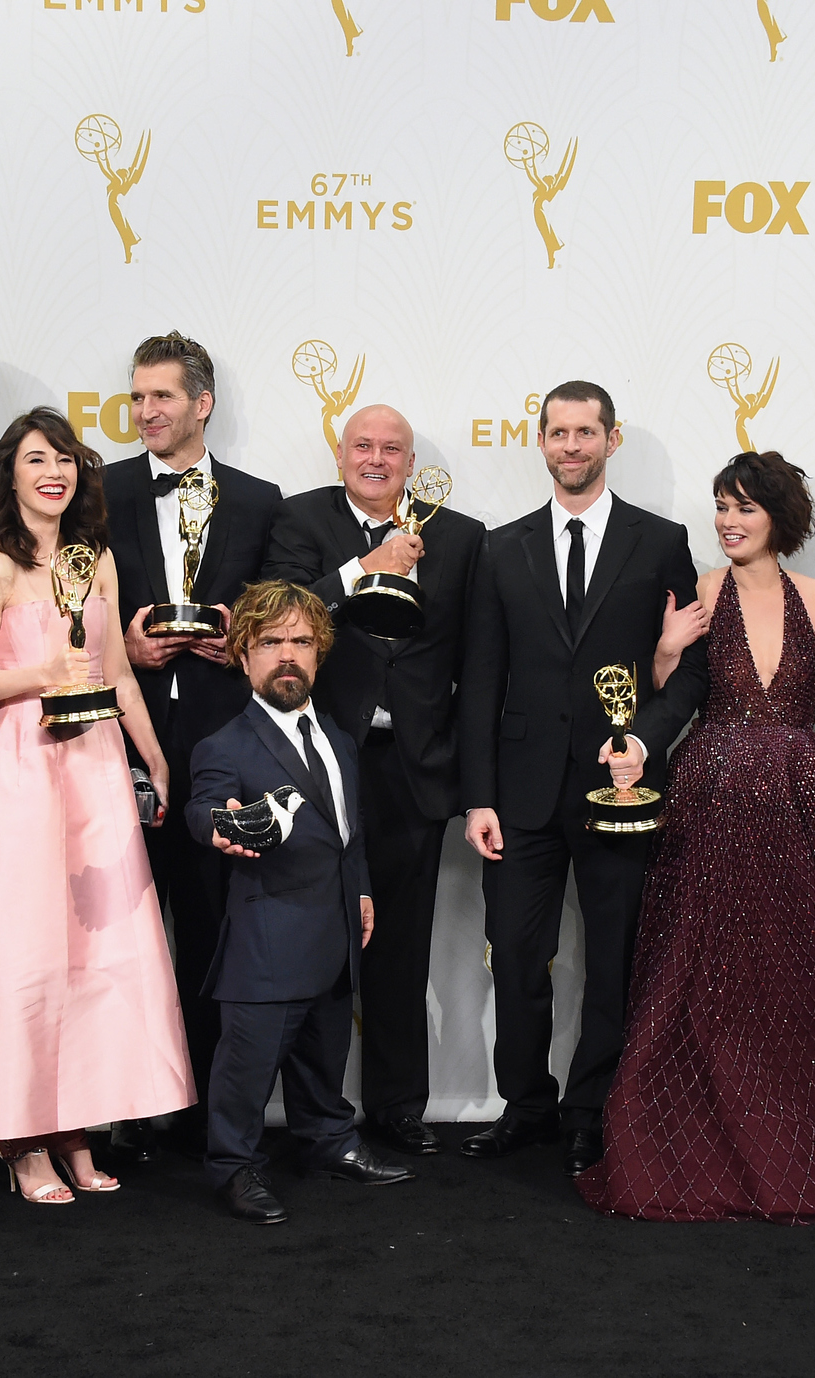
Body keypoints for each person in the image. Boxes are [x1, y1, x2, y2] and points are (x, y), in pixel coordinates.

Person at [576, 453, 815, 1223]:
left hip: (798, 801)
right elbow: (670, 699)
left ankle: (802, 1126)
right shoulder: (699, 593)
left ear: (779, 518)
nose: (728, 520)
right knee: (701, 971)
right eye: (722, 505)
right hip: (707, 799)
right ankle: (698, 1131)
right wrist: (662, 649)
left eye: (745, 508)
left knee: (800, 976)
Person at [0, 408, 195, 1204]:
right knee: (28, 950)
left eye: (65, 459)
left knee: (102, 949)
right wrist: (42, 673)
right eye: (35, 459)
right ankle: (20, 1142)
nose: (53, 472)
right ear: (9, 474)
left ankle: (76, 1129)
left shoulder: (99, 561)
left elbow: (118, 672)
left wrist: (151, 755)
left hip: (96, 764)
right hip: (22, 762)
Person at [457, 380, 707, 1176]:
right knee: (518, 956)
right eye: (558, 433)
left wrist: (650, 744)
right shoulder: (501, 547)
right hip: (521, 796)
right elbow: (482, 676)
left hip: (621, 790)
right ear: (540, 441)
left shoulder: (662, 540)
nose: (571, 446)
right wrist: (480, 796)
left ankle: (593, 1110)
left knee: (616, 958)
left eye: (585, 432)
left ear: (612, 438)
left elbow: (691, 671)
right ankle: (525, 1105)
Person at [261, 404, 485, 1155]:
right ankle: (313, 1111)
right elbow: (281, 617)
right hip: (319, 761)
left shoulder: (460, 536)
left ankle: (398, 1108)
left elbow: (475, 663)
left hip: (412, 769)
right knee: (315, 945)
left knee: (399, 947)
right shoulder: (298, 521)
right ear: (340, 451)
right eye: (364, 445)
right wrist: (368, 568)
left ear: (410, 461)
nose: (377, 459)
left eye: (392, 448)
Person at [105, 331, 282, 1161]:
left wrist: (239, 643)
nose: (146, 412)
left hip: (222, 737)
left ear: (201, 404)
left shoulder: (258, 499)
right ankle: (135, 1105)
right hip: (124, 735)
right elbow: (64, 602)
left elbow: (284, 614)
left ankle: (215, 1110)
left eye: (162, 397)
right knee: (126, 929)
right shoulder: (98, 492)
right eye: (137, 397)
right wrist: (124, 650)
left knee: (215, 927)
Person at [187, 581, 415, 1223]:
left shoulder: (340, 738)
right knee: (246, 1067)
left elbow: (352, 829)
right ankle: (233, 1168)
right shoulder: (225, 746)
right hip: (267, 937)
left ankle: (329, 1142)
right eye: (270, 643)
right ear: (243, 654)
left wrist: (363, 888)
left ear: (320, 653)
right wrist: (220, 828)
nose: (287, 655)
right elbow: (202, 809)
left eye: (301, 642)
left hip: (337, 926)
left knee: (325, 1052)